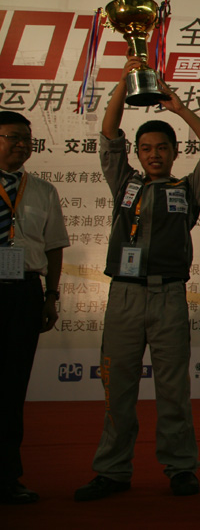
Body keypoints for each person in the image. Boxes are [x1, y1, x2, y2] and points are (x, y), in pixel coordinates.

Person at [75, 56, 200, 501]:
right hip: (124, 295)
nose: (154, 154)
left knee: (173, 388)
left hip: (168, 297)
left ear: (174, 152)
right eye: (146, 149)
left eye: (162, 148)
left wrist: (179, 108)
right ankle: (112, 470)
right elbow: (109, 135)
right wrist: (126, 82)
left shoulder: (187, 190)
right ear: (138, 154)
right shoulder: (124, 183)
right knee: (118, 387)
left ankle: (180, 467)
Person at [0, 112, 69, 505]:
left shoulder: (42, 190)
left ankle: (8, 477)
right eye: (13, 137)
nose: (22, 144)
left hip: (25, 292)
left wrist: (51, 295)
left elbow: (54, 246)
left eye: (27, 139)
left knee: (12, 389)